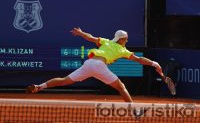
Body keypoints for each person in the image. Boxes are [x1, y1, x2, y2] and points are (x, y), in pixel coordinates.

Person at [26, 27, 163, 102]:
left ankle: (39, 86)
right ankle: (133, 111)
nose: (127, 40)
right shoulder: (122, 49)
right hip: (99, 66)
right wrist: (154, 63)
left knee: (64, 81)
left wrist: (80, 33)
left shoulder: (106, 41)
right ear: (122, 39)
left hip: (89, 63)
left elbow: (90, 37)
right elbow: (139, 60)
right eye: (126, 39)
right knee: (121, 87)